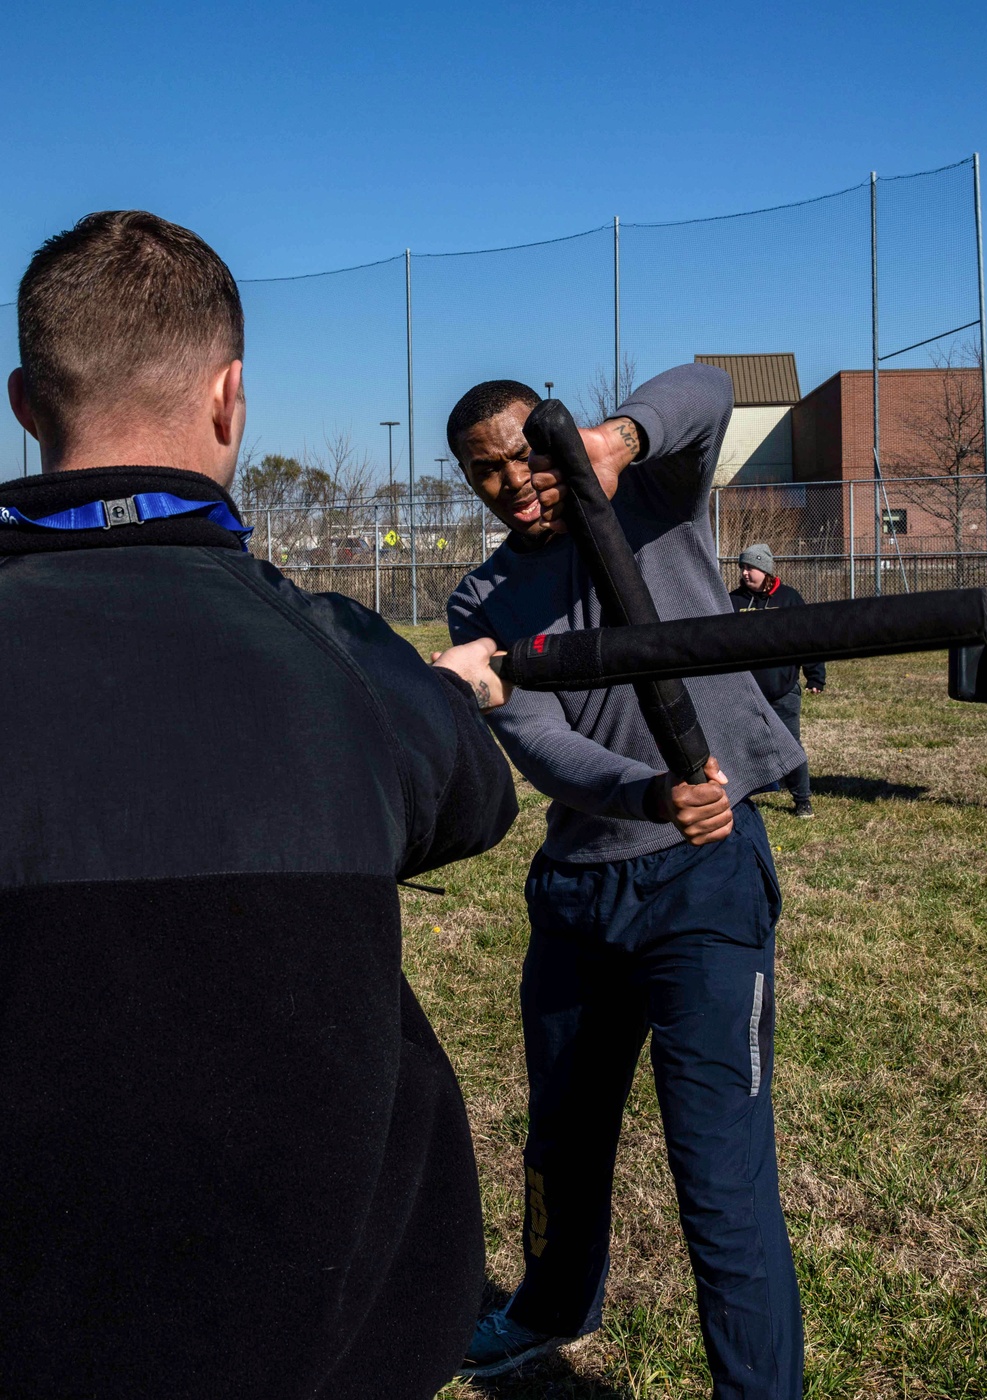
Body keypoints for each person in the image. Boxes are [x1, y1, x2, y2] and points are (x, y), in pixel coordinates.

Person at [0, 211, 518, 1400]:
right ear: (230, 398)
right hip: (322, 1343)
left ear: (28, 403)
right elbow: (472, 796)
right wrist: (441, 693)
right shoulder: (333, 655)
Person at [446, 367, 806, 1399]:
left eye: (526, 455)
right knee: (560, 1140)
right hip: (577, 896)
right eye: (486, 472)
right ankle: (551, 1306)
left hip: (704, 887)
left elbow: (711, 389)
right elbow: (541, 742)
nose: (514, 483)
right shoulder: (481, 598)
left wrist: (618, 437)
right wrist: (651, 793)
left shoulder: (653, 501)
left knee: (720, 1178)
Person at [729, 543, 825, 819]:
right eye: (743, 568)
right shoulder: (733, 601)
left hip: (783, 690)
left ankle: (802, 799)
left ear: (766, 569)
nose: (745, 573)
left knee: (790, 746)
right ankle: (742, 798)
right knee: (741, 745)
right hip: (745, 691)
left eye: (751, 567)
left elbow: (808, 640)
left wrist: (815, 675)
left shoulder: (789, 599)